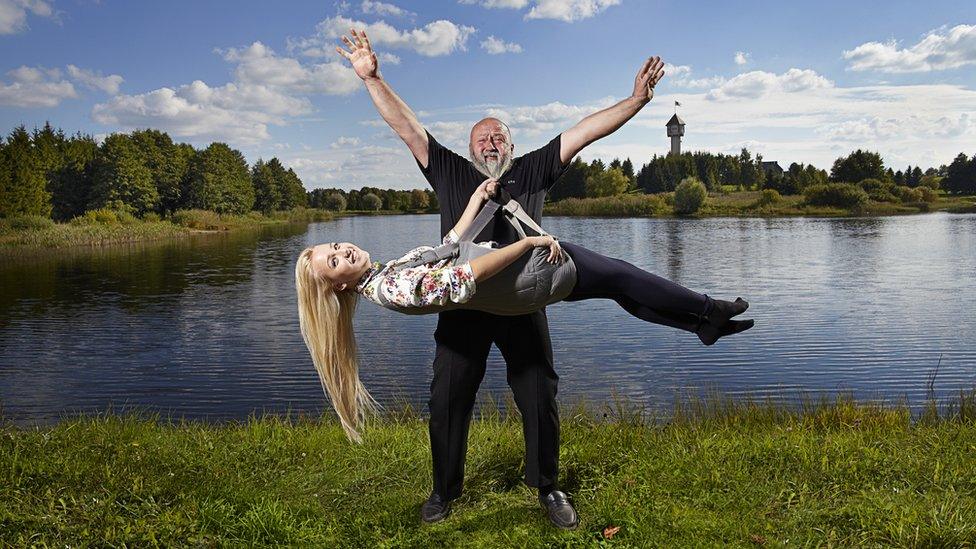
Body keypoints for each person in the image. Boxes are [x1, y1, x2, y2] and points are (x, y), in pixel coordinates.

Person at [336, 27, 670, 529]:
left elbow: (586, 130)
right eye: (482, 136)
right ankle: (444, 491)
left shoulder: (532, 170)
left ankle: (548, 487)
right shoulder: (450, 171)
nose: (491, 141)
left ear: (511, 145)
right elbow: (407, 127)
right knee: (447, 397)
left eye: (499, 136)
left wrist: (636, 101)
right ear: (470, 149)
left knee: (539, 393)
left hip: (521, 301)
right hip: (463, 303)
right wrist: (373, 79)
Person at [294, 179, 755, 473]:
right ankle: (705, 312)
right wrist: (529, 241)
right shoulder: (390, 289)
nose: (344, 251)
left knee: (618, 281)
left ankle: (701, 320)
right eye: (333, 261)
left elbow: (448, 248)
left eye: (336, 244)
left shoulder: (384, 275)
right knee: (620, 276)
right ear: (334, 288)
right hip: (528, 273)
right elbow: (463, 277)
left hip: (522, 280)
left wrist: (476, 198)